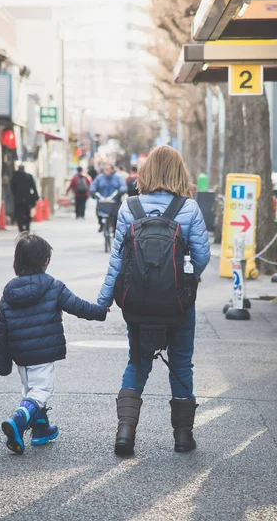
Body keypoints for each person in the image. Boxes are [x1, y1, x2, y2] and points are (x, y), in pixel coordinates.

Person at [97, 145, 210, 456]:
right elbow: (202, 256)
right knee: (181, 364)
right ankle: (183, 437)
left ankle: (125, 433)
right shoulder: (188, 209)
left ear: (145, 172)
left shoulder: (128, 208)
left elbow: (117, 262)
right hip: (178, 306)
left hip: (137, 305)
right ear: (179, 172)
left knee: (137, 362)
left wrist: (105, 299)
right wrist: (182, 282)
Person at [0, 232, 107, 454]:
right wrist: (101, 311)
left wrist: (3, 363)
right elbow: (78, 307)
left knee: (31, 392)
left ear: (17, 262)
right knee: (41, 391)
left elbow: (2, 330)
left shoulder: (9, 292)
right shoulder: (53, 286)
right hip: (43, 354)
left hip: (21, 357)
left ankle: (40, 430)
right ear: (45, 261)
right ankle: (17, 420)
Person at [89, 163, 127, 232]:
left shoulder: (117, 178)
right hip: (102, 201)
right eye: (105, 169)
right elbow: (93, 185)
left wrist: (120, 192)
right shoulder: (99, 177)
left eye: (108, 169)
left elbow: (123, 186)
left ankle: (114, 229)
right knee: (98, 212)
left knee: (117, 216)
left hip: (114, 202)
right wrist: (93, 191)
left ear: (112, 170)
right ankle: (101, 224)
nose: (106, 171)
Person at [11, 165, 39, 232]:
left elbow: (12, 188)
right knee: (27, 214)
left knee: (19, 214)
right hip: (27, 199)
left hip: (18, 199)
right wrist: (35, 196)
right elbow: (33, 187)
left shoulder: (15, 177)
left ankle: (21, 228)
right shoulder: (28, 176)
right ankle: (27, 226)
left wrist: (15, 195)